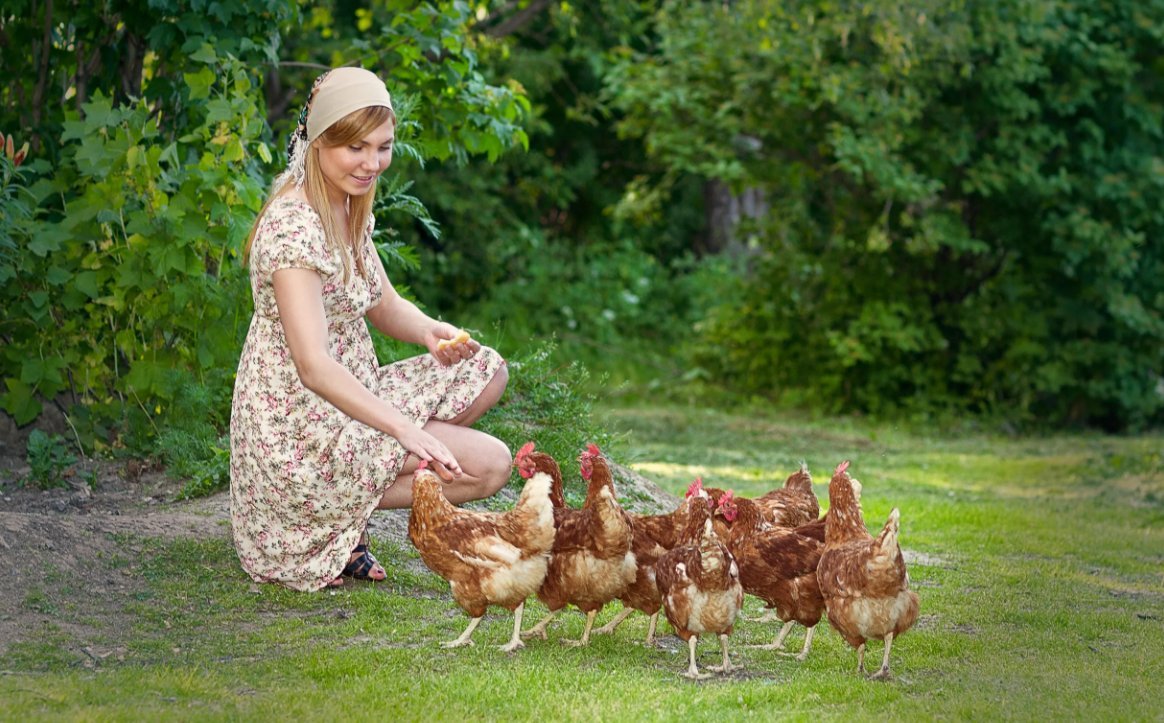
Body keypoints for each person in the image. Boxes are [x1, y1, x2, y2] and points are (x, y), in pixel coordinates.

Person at [229, 67, 511, 592]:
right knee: (489, 466)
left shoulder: (348, 202)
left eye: (382, 147)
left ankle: (347, 516)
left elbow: (381, 302)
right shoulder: (293, 227)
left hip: (353, 399)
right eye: (355, 148)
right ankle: (317, 522)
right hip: (300, 434)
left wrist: (429, 330)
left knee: (486, 369)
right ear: (319, 142)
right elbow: (313, 366)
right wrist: (403, 429)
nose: (371, 163)